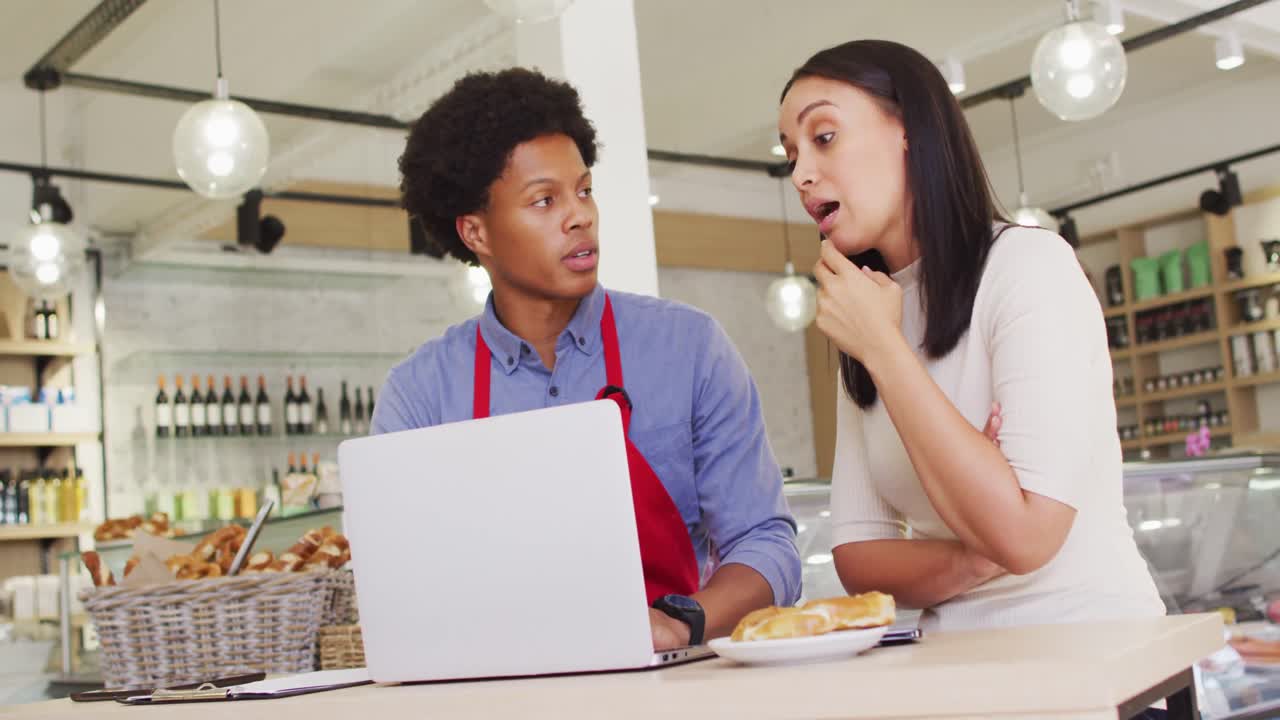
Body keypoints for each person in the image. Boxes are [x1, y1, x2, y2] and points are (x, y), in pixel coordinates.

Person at [373, 67, 800, 651]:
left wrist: (682, 622)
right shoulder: (420, 394)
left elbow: (766, 545)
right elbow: (402, 586)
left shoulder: (688, 349)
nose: (580, 216)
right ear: (476, 232)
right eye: (544, 200)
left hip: (670, 685)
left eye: (584, 190)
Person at [776, 40, 1164, 634]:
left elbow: (1028, 536)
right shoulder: (869, 313)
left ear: (909, 129)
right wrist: (974, 552)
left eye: (823, 137)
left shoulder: (1028, 267)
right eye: (791, 153)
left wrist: (885, 350)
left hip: (1091, 651)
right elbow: (859, 559)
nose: (801, 173)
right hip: (954, 666)